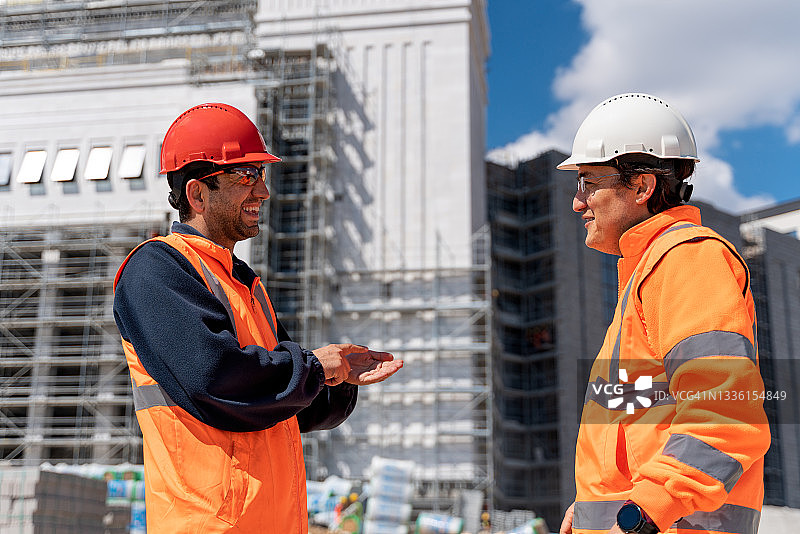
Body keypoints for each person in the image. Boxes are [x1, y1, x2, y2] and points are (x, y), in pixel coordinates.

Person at [113, 103, 403, 533]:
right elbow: (216, 378)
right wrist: (316, 367)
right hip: (210, 525)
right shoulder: (156, 267)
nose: (263, 192)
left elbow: (285, 403)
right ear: (197, 194)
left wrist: (336, 379)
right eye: (245, 176)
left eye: (261, 175)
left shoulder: (245, 284)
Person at [556, 94, 770, 534]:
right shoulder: (646, 273)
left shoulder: (687, 260)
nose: (578, 203)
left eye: (588, 182)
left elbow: (726, 414)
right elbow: (636, 421)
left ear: (641, 187)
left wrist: (640, 515)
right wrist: (593, 504)